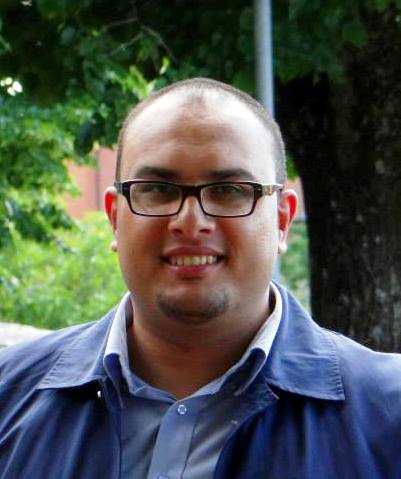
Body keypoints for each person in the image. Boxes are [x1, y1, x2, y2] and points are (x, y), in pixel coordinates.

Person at [1, 78, 400, 479]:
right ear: (114, 217)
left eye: (229, 190)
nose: (190, 222)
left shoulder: (389, 415)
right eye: (158, 189)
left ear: (281, 220)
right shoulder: (9, 396)